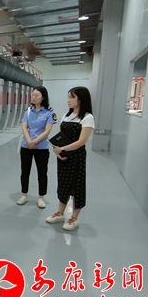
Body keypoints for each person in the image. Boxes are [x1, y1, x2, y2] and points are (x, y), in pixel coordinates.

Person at [46, 86, 94, 231]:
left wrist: (63, 149)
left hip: (76, 157)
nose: (68, 100)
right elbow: (60, 136)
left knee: (76, 186)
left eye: (72, 97)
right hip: (63, 156)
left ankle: (74, 218)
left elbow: (81, 141)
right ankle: (60, 213)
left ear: (81, 99)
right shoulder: (67, 116)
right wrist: (57, 151)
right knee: (63, 184)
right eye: (68, 97)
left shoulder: (87, 118)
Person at [17, 86, 56, 209]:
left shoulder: (49, 113)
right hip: (26, 146)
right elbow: (24, 127)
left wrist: (34, 142)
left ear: (43, 97)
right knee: (25, 171)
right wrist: (29, 141)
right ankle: (24, 194)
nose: (33, 97)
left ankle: (41, 197)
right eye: (32, 95)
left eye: (36, 95)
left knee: (42, 172)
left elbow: (47, 131)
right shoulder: (28, 111)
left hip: (41, 147)